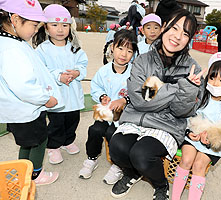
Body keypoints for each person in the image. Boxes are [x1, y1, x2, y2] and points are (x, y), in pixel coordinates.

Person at [109, 9, 204, 200]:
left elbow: (181, 111)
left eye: (185, 33)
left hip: (167, 125)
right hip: (135, 118)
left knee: (141, 155)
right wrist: (178, 87)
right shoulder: (143, 60)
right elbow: (140, 100)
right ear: (164, 28)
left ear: (190, 39)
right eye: (174, 28)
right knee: (117, 147)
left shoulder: (193, 69)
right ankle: (132, 173)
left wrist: (159, 88)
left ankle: (161, 186)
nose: (177, 36)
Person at [0, 0, 64, 185]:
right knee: (39, 140)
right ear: (15, 19)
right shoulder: (12, 49)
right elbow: (23, 86)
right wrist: (45, 99)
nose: (36, 30)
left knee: (27, 142)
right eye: (34, 25)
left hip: (19, 110)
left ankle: (23, 170)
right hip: (27, 109)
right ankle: (35, 175)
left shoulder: (10, 41)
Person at [171, 52, 221, 200]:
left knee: (199, 165)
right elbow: (188, 116)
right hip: (193, 136)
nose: (215, 83)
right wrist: (189, 132)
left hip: (214, 144)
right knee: (186, 160)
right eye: (212, 77)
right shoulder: (202, 96)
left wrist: (210, 140)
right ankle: (174, 197)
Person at [79, 29, 138, 184]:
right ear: (112, 47)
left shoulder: (135, 73)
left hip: (124, 117)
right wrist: (102, 97)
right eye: (120, 48)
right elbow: (96, 87)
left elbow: (138, 93)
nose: (124, 54)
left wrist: (124, 99)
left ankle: (118, 165)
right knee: (95, 130)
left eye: (129, 50)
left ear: (133, 54)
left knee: (114, 134)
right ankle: (92, 158)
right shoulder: (103, 71)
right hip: (105, 113)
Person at [33, 4, 88, 165]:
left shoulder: (75, 48)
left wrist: (77, 72)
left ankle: (68, 141)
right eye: (54, 25)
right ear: (46, 28)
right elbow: (41, 71)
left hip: (72, 95)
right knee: (56, 122)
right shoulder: (42, 50)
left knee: (73, 120)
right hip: (55, 95)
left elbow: (82, 64)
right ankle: (53, 146)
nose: (60, 29)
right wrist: (58, 76)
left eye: (65, 25)